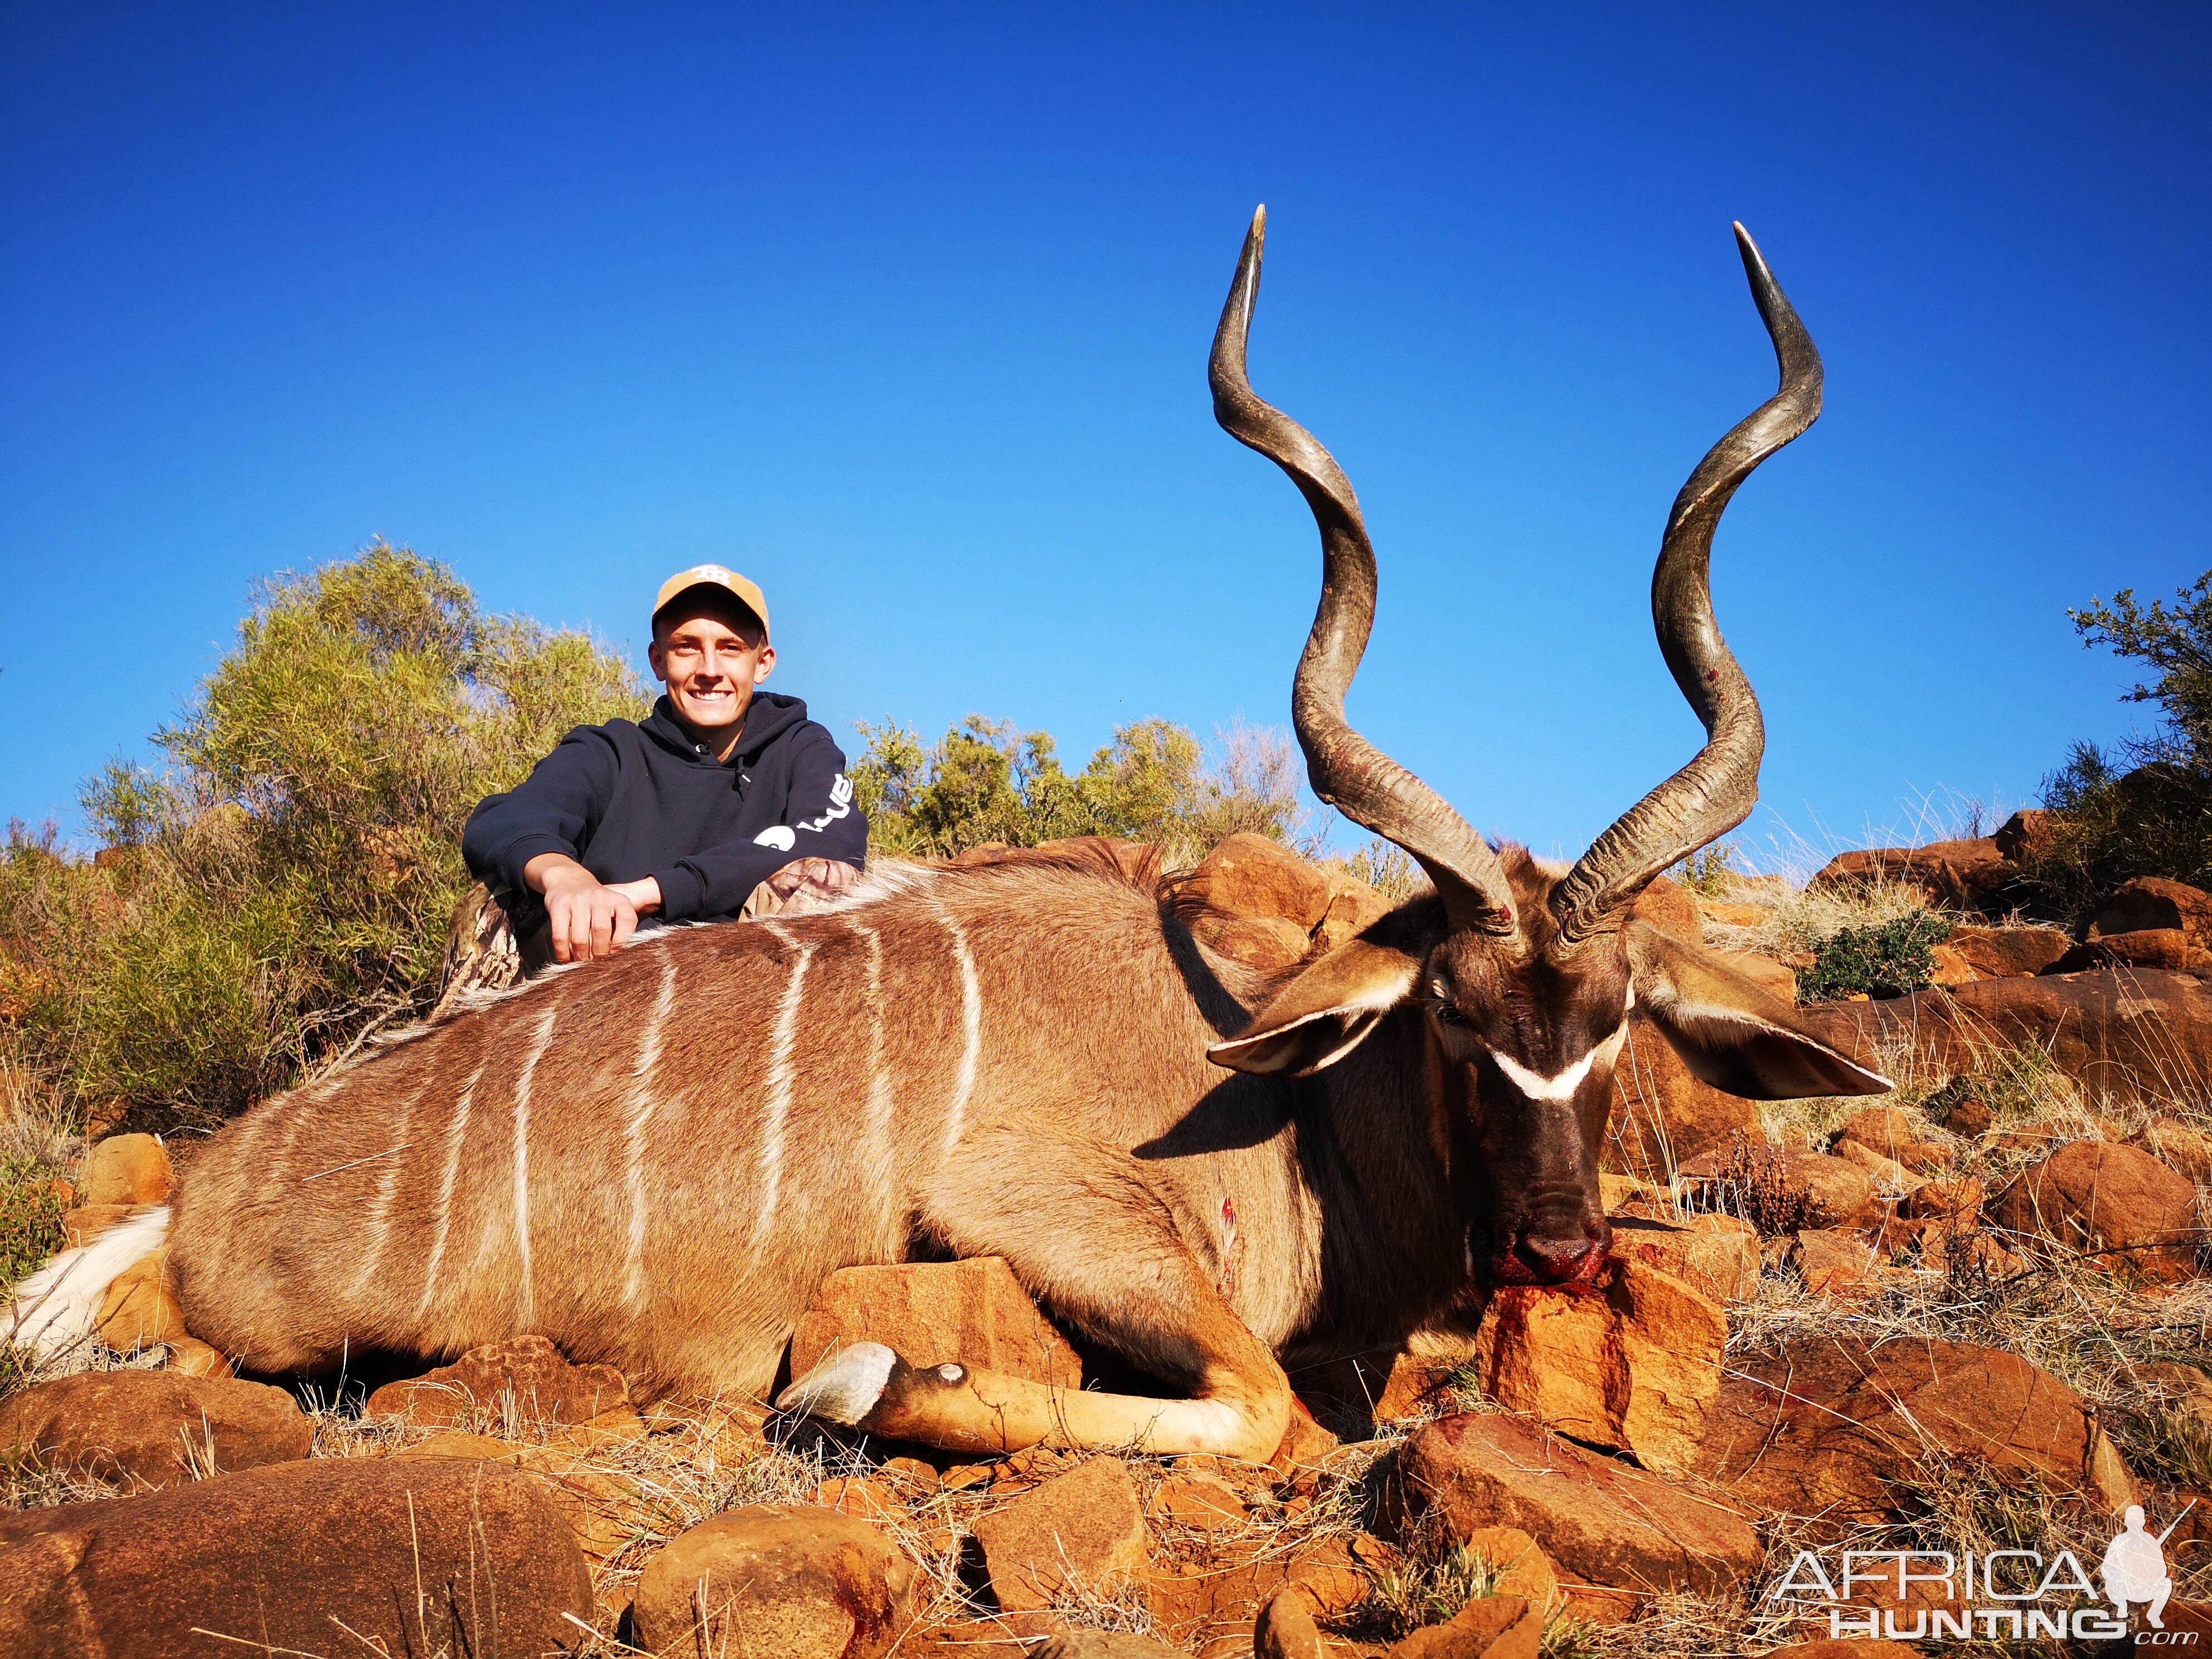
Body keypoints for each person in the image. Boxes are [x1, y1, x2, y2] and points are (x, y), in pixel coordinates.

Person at [462, 564, 866, 971]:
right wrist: (566, 879)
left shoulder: (803, 748)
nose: (709, 670)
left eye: (730, 648)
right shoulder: (611, 751)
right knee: (493, 902)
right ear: (658, 661)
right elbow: (506, 819)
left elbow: (831, 842)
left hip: (746, 989)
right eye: (687, 647)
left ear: (762, 663)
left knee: (828, 882)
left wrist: (651, 893)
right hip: (604, 981)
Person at [2102, 1503, 2175, 1629]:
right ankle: (2122, 1607)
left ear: (2143, 1521)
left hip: (2146, 1588)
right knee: (2110, 1583)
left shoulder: (2151, 1541)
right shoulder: (2119, 1541)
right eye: (2131, 1520)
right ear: (2126, 1522)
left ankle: (2153, 1615)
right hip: (2124, 1588)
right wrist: (2121, 1574)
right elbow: (2105, 1568)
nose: (2135, 1523)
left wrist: (2149, 1575)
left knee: (2166, 1583)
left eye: (2137, 1520)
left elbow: (2162, 1570)